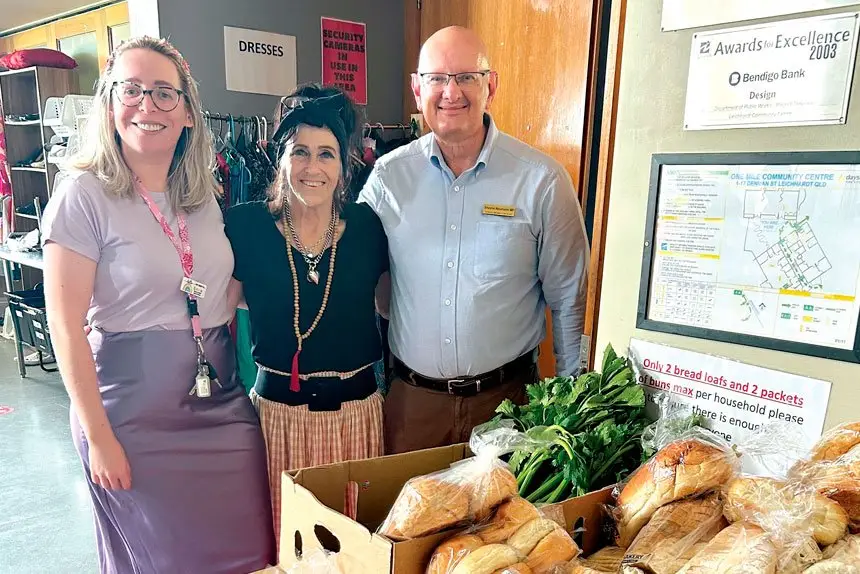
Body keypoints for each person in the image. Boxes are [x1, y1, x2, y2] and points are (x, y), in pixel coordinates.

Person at [41, 36, 275, 573]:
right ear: (109, 104)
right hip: (130, 421)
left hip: (222, 406)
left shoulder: (202, 194)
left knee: (252, 556)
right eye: (132, 90)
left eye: (164, 93)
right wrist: (99, 437)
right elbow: (65, 327)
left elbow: (220, 289)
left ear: (188, 112)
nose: (147, 104)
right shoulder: (83, 194)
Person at [359, 26, 590, 454]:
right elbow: (351, 269)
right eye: (437, 79)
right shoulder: (388, 179)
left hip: (510, 408)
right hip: (413, 408)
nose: (451, 92)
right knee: (404, 502)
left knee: (510, 504)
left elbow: (568, 298)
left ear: (491, 86)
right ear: (417, 89)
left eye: (466, 77)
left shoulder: (541, 181)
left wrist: (570, 407)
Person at [224, 83, 389, 540]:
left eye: (326, 154)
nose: (312, 167)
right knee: (286, 548)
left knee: (355, 550)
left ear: (344, 166)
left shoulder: (367, 228)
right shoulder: (247, 226)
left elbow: (389, 306)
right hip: (278, 420)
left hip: (355, 420)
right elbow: (222, 310)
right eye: (300, 152)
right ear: (280, 159)